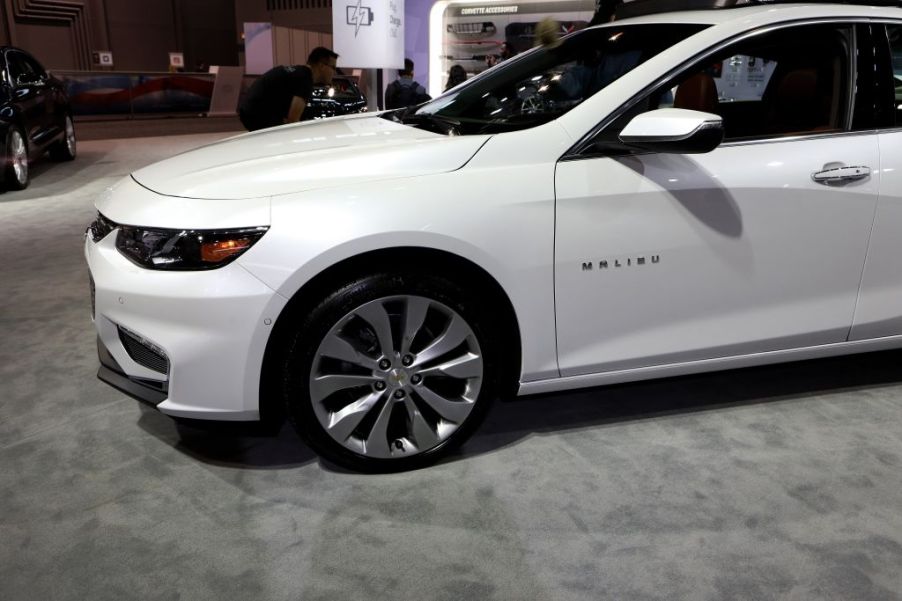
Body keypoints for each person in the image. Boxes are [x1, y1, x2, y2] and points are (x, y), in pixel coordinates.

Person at [239, 46, 338, 131]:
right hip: (258, 113)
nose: (334, 72)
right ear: (321, 66)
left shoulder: (299, 73)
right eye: (333, 67)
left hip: (249, 109)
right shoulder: (305, 79)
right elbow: (293, 121)